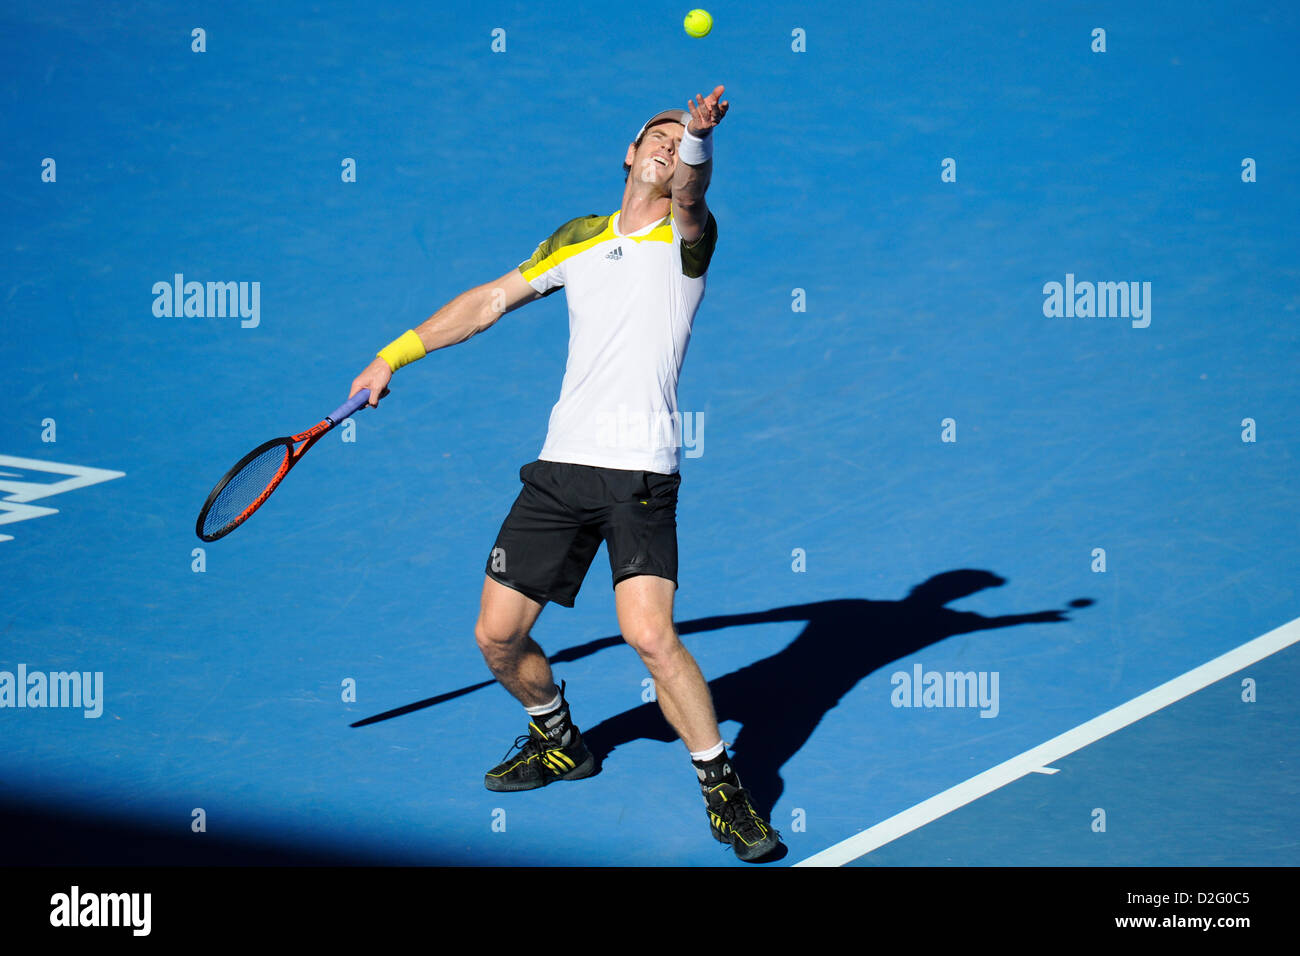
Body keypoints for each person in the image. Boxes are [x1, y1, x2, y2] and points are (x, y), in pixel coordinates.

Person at [349, 85, 781, 862]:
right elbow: (488, 302)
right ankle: (558, 739)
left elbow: (693, 189)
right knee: (497, 637)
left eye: (679, 138)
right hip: (560, 472)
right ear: (627, 151)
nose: (668, 142)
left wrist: (701, 141)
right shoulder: (579, 237)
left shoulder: (691, 235)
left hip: (639, 475)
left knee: (649, 636)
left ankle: (723, 787)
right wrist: (394, 354)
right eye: (657, 131)